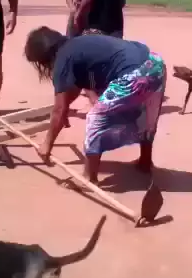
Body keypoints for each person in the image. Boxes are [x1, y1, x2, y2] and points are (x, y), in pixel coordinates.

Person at [24, 27, 167, 184]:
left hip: (136, 73)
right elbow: (74, 88)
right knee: (147, 113)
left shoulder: (63, 59)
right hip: (154, 62)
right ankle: (145, 162)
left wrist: (46, 145)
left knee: (95, 118)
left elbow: (58, 109)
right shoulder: (76, 45)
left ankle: (89, 177)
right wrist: (65, 107)